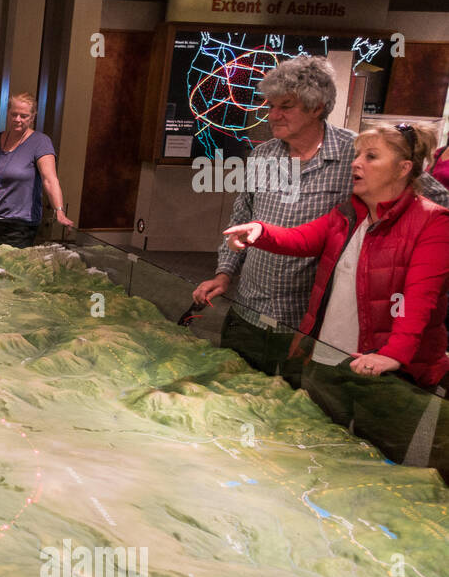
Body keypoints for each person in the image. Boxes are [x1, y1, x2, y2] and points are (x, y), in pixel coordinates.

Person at [192, 55, 449, 384]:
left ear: (317, 107)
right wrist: (224, 272)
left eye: (285, 106)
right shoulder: (262, 155)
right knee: (232, 392)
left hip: (306, 325)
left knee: (294, 414)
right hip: (248, 311)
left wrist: (404, 249)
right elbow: (244, 215)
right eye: (269, 105)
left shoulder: (353, 154)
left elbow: (427, 196)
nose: (273, 115)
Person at [222, 123, 449, 463]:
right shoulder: (348, 214)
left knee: (375, 464)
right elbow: (302, 239)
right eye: (357, 155)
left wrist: (395, 353)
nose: (356, 163)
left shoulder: (433, 223)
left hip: (388, 375)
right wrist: (261, 231)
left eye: (371, 157)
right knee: (315, 454)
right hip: (329, 358)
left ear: (403, 168)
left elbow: (419, 300)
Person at [0, 92, 72, 247]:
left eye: (24, 116)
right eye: (14, 114)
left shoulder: (40, 142)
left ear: (32, 117)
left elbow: (50, 180)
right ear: (8, 113)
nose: (17, 119)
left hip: (19, 225)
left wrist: (59, 211)